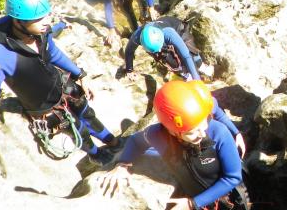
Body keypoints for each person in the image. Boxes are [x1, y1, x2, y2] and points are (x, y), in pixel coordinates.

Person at [0, 0, 121, 165]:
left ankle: (114, 142)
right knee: (78, 129)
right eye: (38, 19)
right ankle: (96, 154)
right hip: (45, 106)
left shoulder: (41, 32)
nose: (45, 22)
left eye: (45, 16)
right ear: (17, 21)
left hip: (63, 86)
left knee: (88, 115)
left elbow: (54, 53)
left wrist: (80, 75)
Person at [97, 80, 249, 209]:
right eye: (192, 132)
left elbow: (232, 177)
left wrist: (192, 203)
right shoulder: (158, 135)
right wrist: (123, 165)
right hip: (195, 195)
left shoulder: (218, 132)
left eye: (203, 125)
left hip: (228, 197)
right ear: (173, 131)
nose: (202, 134)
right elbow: (135, 141)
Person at [123, 16, 212, 82]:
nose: (158, 51)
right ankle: (186, 74)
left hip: (178, 30)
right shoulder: (136, 37)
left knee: (191, 54)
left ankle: (202, 66)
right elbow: (129, 51)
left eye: (158, 48)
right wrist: (129, 69)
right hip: (158, 41)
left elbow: (186, 55)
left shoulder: (168, 32)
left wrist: (197, 80)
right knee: (169, 59)